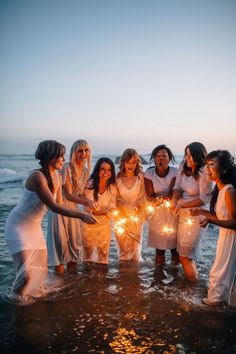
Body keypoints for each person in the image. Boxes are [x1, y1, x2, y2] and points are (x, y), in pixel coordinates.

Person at [4, 140, 97, 301]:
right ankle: (14, 302)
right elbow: (54, 206)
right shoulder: (37, 177)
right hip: (17, 227)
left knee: (40, 271)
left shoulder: (56, 177)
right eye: (60, 156)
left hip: (34, 227)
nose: (63, 159)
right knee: (26, 274)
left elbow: (60, 203)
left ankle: (27, 299)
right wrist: (82, 215)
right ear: (50, 157)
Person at [191, 150, 236, 306]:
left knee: (220, 277)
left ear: (224, 169)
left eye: (212, 164)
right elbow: (223, 217)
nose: (207, 168)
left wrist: (210, 222)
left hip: (232, 243)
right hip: (225, 240)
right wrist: (201, 212)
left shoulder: (229, 191)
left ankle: (216, 317)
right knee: (219, 276)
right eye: (206, 164)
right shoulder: (220, 188)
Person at [47, 140, 98, 275]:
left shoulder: (86, 170)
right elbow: (68, 195)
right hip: (60, 207)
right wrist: (87, 203)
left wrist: (90, 201)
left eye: (86, 150)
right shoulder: (67, 167)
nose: (83, 154)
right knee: (60, 246)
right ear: (74, 152)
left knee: (74, 245)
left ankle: (72, 281)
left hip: (73, 208)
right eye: (80, 151)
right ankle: (60, 282)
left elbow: (79, 192)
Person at [172, 142, 213, 282]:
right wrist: (174, 201)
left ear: (198, 156)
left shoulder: (203, 172)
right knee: (183, 254)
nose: (187, 158)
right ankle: (192, 279)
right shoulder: (183, 165)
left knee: (185, 256)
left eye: (190, 155)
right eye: (186, 154)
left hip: (197, 215)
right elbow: (177, 187)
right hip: (182, 213)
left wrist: (182, 205)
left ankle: (192, 288)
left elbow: (204, 199)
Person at [144, 144, 178, 266]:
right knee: (159, 250)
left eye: (164, 156)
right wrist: (158, 198)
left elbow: (173, 193)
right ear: (154, 159)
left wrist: (162, 198)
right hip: (157, 212)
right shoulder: (149, 173)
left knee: (174, 249)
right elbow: (150, 194)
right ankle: (158, 279)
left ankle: (175, 275)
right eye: (158, 156)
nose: (161, 158)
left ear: (170, 158)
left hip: (172, 211)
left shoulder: (175, 172)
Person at [81, 157, 117, 264]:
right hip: (89, 226)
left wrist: (111, 211)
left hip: (104, 227)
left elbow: (112, 206)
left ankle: (102, 280)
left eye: (109, 169)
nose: (106, 172)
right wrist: (106, 212)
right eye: (103, 169)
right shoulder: (89, 184)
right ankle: (88, 280)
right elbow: (89, 209)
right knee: (87, 256)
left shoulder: (113, 188)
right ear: (97, 170)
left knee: (103, 256)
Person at [115, 148, 146, 261]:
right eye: (128, 162)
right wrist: (121, 206)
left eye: (134, 162)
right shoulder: (117, 177)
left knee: (135, 252)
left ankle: (134, 277)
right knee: (123, 252)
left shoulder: (141, 177)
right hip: (120, 219)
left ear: (137, 162)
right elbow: (114, 198)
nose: (130, 165)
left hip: (136, 218)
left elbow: (143, 197)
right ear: (123, 162)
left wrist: (137, 206)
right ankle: (123, 276)